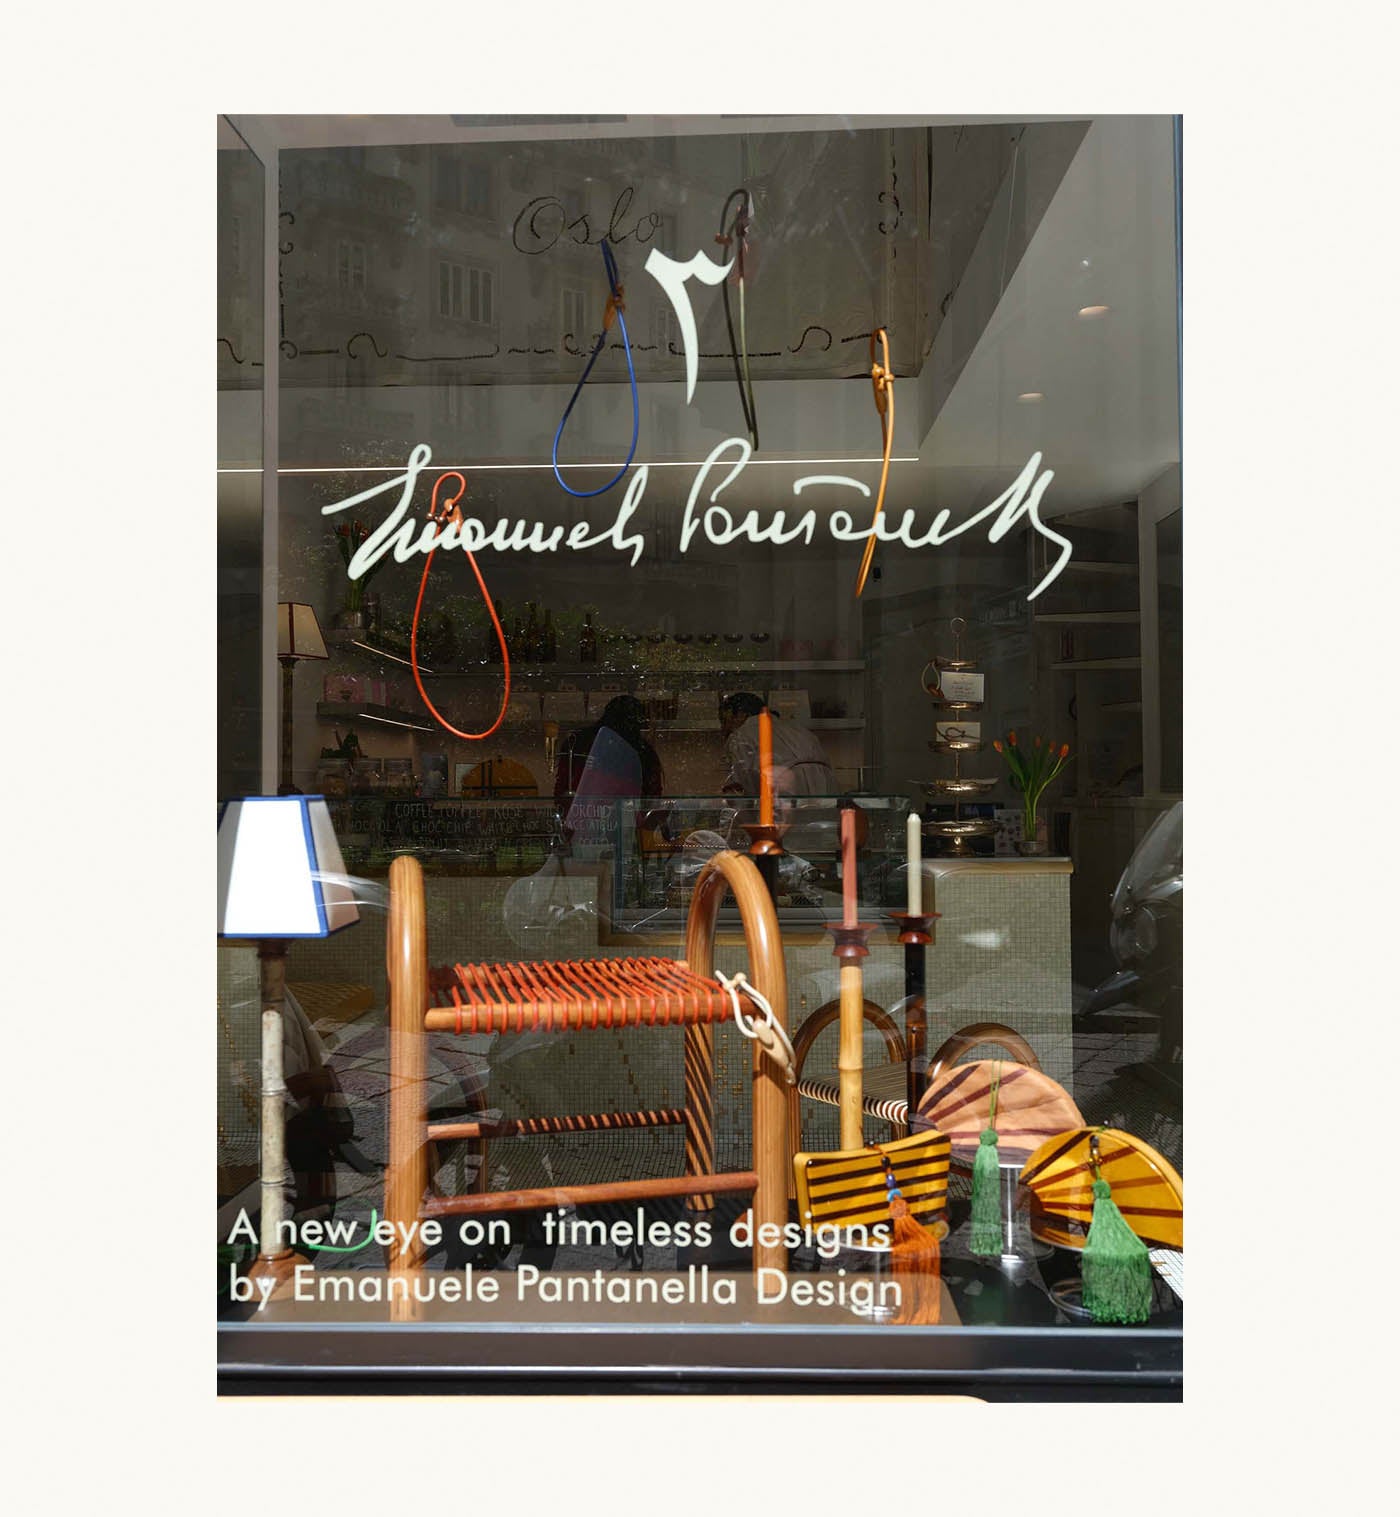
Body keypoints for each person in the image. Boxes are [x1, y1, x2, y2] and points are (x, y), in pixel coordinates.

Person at [554, 694, 665, 807]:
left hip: (582, 814)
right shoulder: (642, 752)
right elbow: (652, 800)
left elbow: (561, 792)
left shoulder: (579, 742)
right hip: (623, 816)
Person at [719, 691, 835, 798]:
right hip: (827, 793)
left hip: (785, 798)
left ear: (741, 715)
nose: (723, 728)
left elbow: (743, 787)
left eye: (725, 720)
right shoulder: (800, 730)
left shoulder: (741, 735)